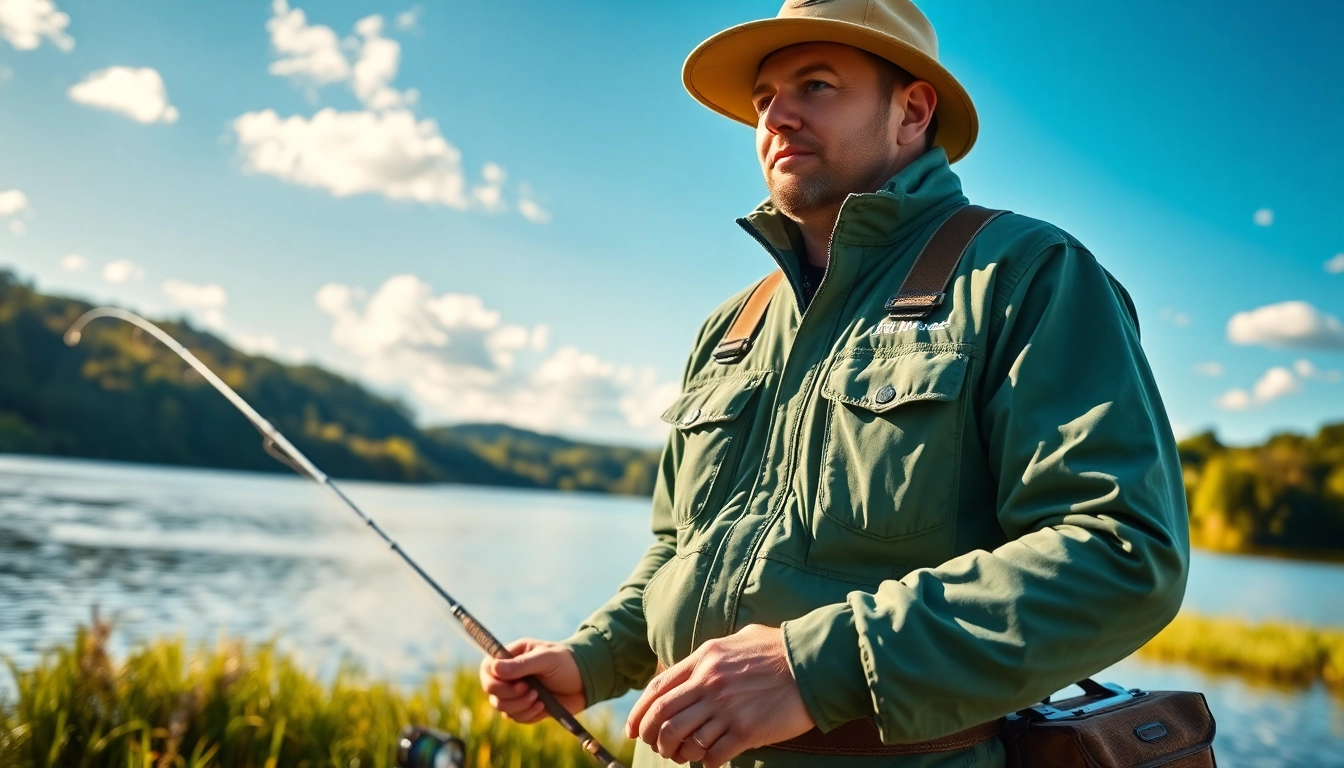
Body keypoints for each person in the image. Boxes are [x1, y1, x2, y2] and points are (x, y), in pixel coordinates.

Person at [479, 0, 1189, 766]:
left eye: (816, 85)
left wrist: (813, 665)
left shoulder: (1025, 274)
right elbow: (678, 552)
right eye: (763, 100)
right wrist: (590, 661)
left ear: (912, 112)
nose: (776, 116)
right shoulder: (733, 326)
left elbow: (1122, 551)